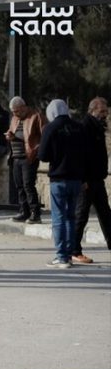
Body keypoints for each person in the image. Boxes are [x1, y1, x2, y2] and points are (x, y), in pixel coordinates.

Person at [38, 99, 89, 268]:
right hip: (76, 180)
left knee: (58, 217)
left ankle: (61, 257)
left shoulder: (51, 128)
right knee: (71, 217)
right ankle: (69, 253)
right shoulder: (79, 128)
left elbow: (43, 155)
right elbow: (86, 154)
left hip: (59, 179)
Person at [72, 97, 111, 264]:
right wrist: (82, 179)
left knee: (105, 214)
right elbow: (80, 156)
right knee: (81, 215)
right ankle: (74, 250)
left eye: (106, 111)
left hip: (97, 179)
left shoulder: (97, 127)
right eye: (102, 111)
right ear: (92, 110)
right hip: (87, 180)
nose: (105, 115)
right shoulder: (85, 127)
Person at [6, 97, 44, 224]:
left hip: (29, 156)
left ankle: (35, 213)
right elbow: (13, 132)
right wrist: (10, 136)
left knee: (28, 185)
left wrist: (36, 151)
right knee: (19, 186)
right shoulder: (14, 118)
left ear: (23, 107)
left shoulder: (35, 116)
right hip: (16, 156)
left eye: (16, 111)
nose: (15, 114)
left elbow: (43, 136)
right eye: (13, 112)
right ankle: (24, 211)